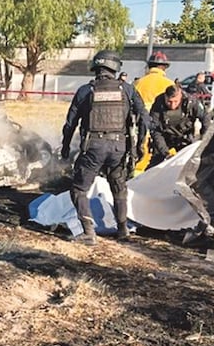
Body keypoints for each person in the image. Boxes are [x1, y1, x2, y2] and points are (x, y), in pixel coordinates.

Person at [61, 50, 150, 243]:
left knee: (79, 189)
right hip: (119, 147)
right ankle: (123, 230)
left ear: (96, 67)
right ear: (115, 68)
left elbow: (70, 123)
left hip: (93, 147)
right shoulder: (127, 90)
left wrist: (65, 147)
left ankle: (88, 232)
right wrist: (140, 145)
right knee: (119, 188)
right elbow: (144, 118)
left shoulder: (85, 91)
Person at [147, 84, 209, 168]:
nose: (172, 105)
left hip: (185, 136)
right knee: (154, 165)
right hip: (165, 137)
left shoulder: (190, 101)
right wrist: (166, 153)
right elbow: (155, 130)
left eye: (176, 101)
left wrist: (204, 137)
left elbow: (205, 117)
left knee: (189, 165)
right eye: (169, 102)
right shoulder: (159, 104)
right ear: (165, 97)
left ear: (180, 96)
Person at [133, 50, 174, 173]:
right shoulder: (169, 84)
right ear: (164, 67)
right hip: (160, 123)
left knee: (141, 149)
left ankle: (137, 174)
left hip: (140, 121)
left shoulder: (138, 82)